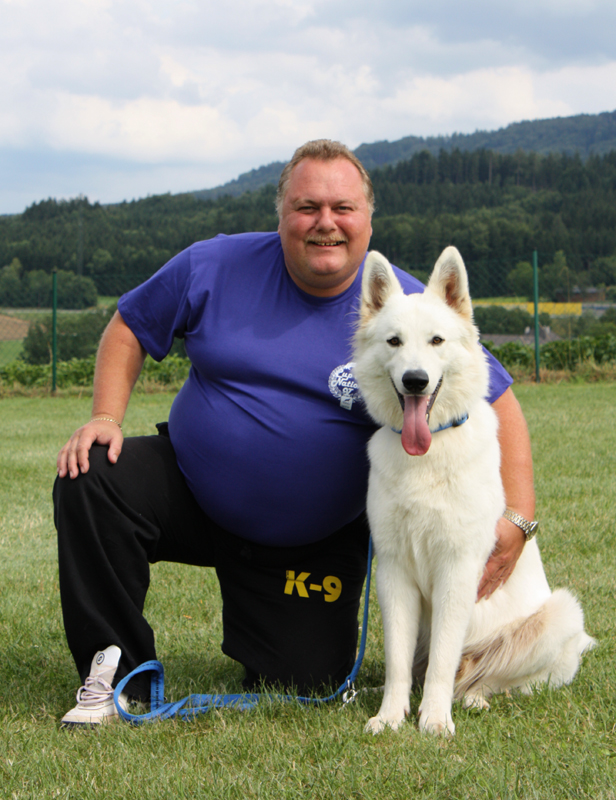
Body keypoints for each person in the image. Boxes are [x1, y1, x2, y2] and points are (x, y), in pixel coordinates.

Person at [54, 139, 536, 726]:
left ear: (367, 220)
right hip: (193, 493)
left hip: (310, 542)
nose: (325, 222)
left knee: (304, 678)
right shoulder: (213, 265)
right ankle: (115, 673)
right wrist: (104, 419)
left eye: (343, 208)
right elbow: (129, 326)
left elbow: (497, 399)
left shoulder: (405, 309)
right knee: (94, 472)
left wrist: (517, 521)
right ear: (281, 214)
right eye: (307, 207)